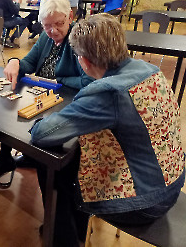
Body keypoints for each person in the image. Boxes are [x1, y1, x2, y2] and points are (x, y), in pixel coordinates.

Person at [31, 13, 185, 247]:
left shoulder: (107, 92)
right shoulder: (149, 69)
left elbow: (42, 134)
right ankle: (75, 232)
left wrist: (38, 122)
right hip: (172, 179)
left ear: (84, 61)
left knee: (50, 165)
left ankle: (64, 238)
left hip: (146, 201)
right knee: (76, 158)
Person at [0, 0, 93, 181]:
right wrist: (15, 62)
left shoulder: (80, 40)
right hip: (42, 95)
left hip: (66, 102)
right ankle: (5, 159)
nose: (53, 31)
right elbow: (28, 64)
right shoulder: (45, 38)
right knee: (7, 111)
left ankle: (38, 162)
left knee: (29, 122)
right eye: (47, 26)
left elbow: (88, 81)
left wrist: (60, 80)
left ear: (70, 17)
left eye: (58, 24)